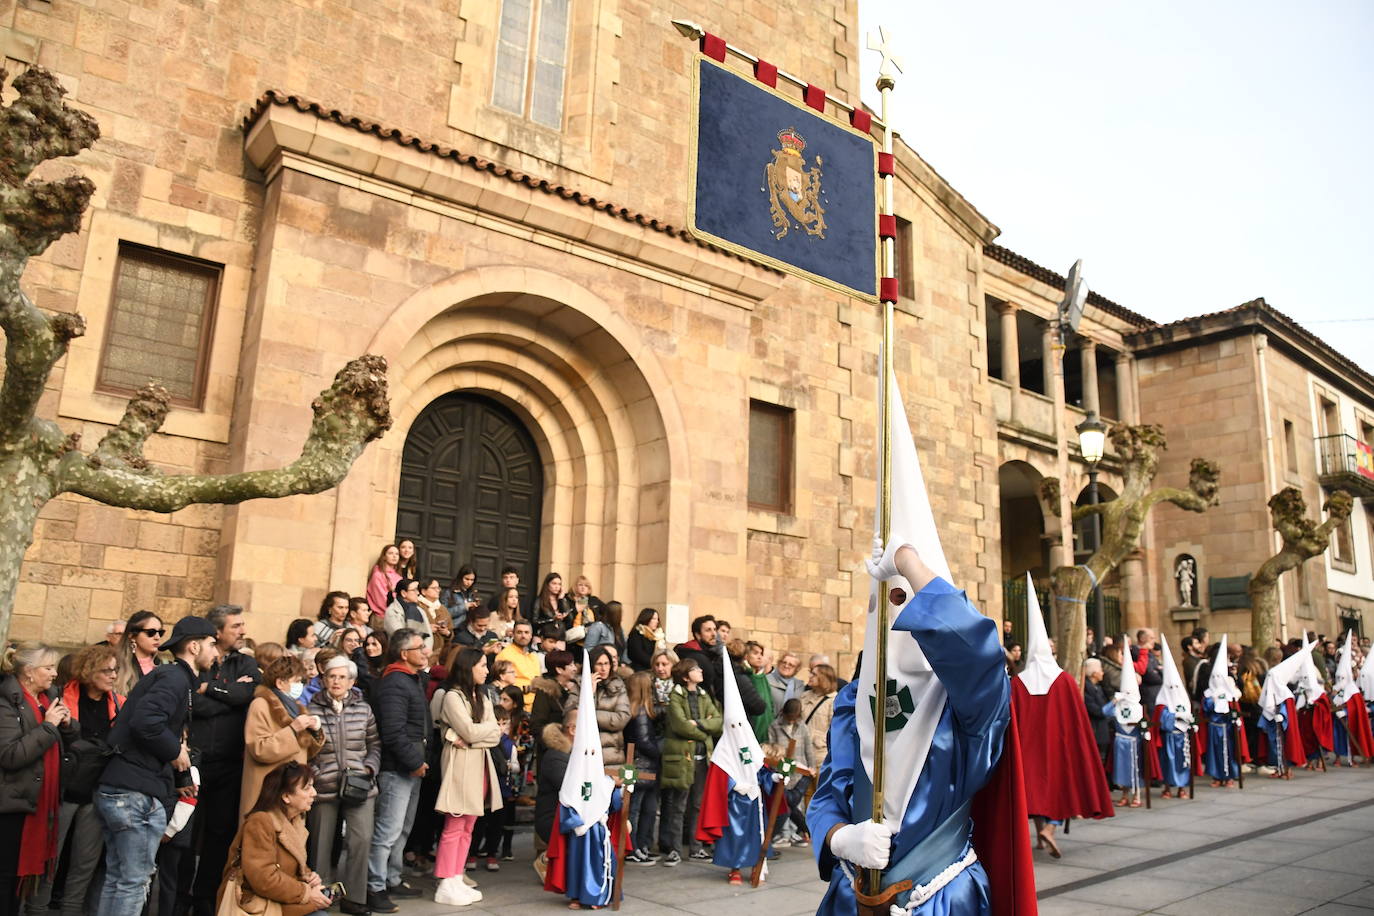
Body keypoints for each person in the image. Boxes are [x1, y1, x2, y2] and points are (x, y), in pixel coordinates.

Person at [808, 537, 1018, 916]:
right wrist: (841, 838)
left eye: (907, 600)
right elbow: (828, 794)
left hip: (941, 898)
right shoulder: (853, 700)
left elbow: (977, 652)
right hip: (852, 897)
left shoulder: (967, 706)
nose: (896, 617)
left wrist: (909, 562)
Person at [96, 615, 220, 916]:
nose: (216, 653)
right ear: (193, 646)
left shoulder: (174, 678)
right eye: (212, 645)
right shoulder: (174, 678)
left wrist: (179, 779)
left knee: (119, 879)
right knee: (133, 881)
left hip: (125, 787)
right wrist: (175, 750)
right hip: (133, 792)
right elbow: (146, 722)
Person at [1008, 580, 1113, 859]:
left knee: (1034, 790)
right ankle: (1050, 831)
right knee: (1058, 788)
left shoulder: (1017, 683)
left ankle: (1041, 835)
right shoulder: (1064, 681)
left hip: (1028, 749)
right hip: (1057, 747)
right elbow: (1076, 719)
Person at [23, 645, 119, 916]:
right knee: (49, 857)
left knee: (84, 863)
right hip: (62, 789)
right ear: (89, 672)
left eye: (115, 670)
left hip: (96, 791)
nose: (113, 675)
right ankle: (37, 909)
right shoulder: (61, 696)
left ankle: (71, 910)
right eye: (107, 670)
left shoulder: (119, 703)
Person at [187, 604, 260, 916]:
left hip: (230, 764)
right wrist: (227, 696)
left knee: (220, 833)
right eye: (236, 626)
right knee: (185, 833)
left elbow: (249, 694)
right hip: (195, 760)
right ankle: (176, 898)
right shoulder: (199, 661)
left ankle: (205, 897)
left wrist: (211, 689)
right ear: (217, 632)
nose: (242, 631)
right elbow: (192, 702)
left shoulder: (247, 662)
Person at [0, 645, 74, 914]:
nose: (55, 673)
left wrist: (67, 725)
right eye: (48, 667)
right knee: (7, 878)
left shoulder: (48, 699)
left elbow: (67, 742)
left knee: (20, 883)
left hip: (41, 800)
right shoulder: (6, 702)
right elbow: (10, 755)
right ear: (29, 672)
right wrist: (48, 726)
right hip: (13, 805)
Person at [305, 655, 379, 916]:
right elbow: (304, 751)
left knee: (361, 840)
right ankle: (320, 896)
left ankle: (354, 898)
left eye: (341, 677)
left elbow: (374, 745)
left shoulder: (363, 708)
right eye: (331, 676)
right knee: (320, 844)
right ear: (323, 680)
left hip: (359, 785)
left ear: (352, 681)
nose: (336, 681)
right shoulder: (311, 709)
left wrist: (369, 769)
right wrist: (314, 773)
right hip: (323, 786)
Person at [367, 628, 432, 913]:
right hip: (398, 769)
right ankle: (374, 887)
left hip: (410, 768)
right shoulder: (395, 682)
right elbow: (393, 732)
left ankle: (392, 878)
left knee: (402, 829)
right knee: (387, 831)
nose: (426, 651)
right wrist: (414, 762)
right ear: (405, 654)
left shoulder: (410, 679)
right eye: (420, 647)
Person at [431, 649, 502, 906]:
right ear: (468, 666)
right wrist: (478, 734)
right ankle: (446, 880)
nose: (486, 670)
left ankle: (457, 876)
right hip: (460, 766)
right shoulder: (452, 696)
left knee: (469, 825)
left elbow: (495, 733)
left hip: (479, 764)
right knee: (455, 824)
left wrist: (476, 735)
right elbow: (472, 732)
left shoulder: (480, 695)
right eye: (482, 665)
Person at [216, 761, 332, 916]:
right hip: (254, 904)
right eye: (306, 788)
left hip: (279, 900)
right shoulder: (260, 822)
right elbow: (264, 879)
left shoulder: (295, 822)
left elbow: (288, 867)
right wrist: (306, 892)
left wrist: (308, 877)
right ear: (286, 796)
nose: (314, 793)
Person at [240, 654, 325, 820]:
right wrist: (293, 730)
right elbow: (259, 748)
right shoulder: (260, 705)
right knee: (264, 835)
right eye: (296, 681)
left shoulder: (297, 707)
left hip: (292, 791)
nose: (300, 686)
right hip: (267, 789)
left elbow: (307, 750)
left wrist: (316, 730)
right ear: (280, 682)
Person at [659, 657, 722, 865]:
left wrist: (699, 724)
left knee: (697, 804)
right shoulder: (675, 696)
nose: (701, 671)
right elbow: (680, 725)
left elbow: (718, 721)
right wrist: (705, 732)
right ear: (686, 676)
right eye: (696, 669)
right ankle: (674, 849)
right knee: (678, 805)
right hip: (681, 758)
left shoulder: (704, 696)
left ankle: (696, 847)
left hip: (703, 758)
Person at [564, 646, 631, 767]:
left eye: (606, 663)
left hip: (612, 754)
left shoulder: (619, 685)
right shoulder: (579, 685)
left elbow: (622, 718)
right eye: (599, 664)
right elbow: (571, 717)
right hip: (586, 752)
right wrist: (589, 693)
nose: (603, 668)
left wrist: (590, 715)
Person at [623, 671, 663, 865]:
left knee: (643, 808)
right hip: (641, 764)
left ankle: (640, 845)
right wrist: (660, 752)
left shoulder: (636, 710)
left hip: (637, 764)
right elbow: (644, 741)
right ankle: (633, 847)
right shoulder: (639, 712)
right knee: (636, 809)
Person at [767, 698, 816, 848]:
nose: (792, 720)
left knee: (796, 803)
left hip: (799, 770)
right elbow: (772, 748)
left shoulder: (802, 726)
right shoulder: (775, 726)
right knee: (785, 802)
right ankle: (784, 834)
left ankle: (795, 833)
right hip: (783, 771)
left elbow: (808, 748)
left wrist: (812, 767)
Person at [1152, 636, 1195, 799]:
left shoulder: (1183, 698)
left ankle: (1182, 788)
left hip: (1182, 737)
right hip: (1169, 737)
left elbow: (1189, 714)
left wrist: (1189, 720)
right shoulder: (1162, 701)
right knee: (1169, 763)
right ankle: (1168, 788)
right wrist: (1174, 716)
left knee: (1182, 762)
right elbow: (1161, 718)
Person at [1200, 636, 1242, 786]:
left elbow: (1234, 708)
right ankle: (1217, 776)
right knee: (1215, 753)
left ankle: (1230, 776)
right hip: (1214, 727)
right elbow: (1206, 708)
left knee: (1229, 752)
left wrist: (1235, 717)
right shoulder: (1208, 693)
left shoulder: (1231, 693)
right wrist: (1214, 701)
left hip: (1227, 727)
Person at [530, 650, 578, 761]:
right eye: (570, 665)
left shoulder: (571, 690)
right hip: (553, 755)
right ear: (559, 669)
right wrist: (558, 744)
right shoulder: (545, 692)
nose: (575, 668)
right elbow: (536, 726)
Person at [114, 610, 164, 696]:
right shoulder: (116, 664)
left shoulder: (164, 665)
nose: (157, 637)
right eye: (151, 633)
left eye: (160, 632)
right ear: (132, 636)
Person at [674, 616, 723, 700]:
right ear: (698, 635)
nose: (714, 634)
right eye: (708, 630)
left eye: (715, 629)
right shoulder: (695, 655)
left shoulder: (711, 653)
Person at [495, 620, 541, 710]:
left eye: (526, 632)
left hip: (536, 704)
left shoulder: (533, 656)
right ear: (513, 634)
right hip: (516, 706)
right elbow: (499, 685)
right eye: (519, 632)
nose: (523, 636)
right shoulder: (505, 655)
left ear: (531, 635)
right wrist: (528, 688)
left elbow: (538, 680)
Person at [798, 663, 838, 761]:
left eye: (814, 674)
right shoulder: (804, 696)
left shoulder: (833, 700)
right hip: (799, 751)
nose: (810, 676)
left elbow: (835, 730)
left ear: (824, 678)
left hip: (820, 753)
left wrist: (821, 741)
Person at [384, 578, 434, 649]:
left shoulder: (420, 610)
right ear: (404, 593)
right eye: (414, 590)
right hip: (401, 650)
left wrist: (425, 649)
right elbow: (398, 635)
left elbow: (428, 634)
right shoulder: (392, 611)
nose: (418, 593)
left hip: (421, 651)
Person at [1082, 659, 1112, 770]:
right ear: (1094, 673)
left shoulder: (1098, 688)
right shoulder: (1086, 689)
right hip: (1095, 729)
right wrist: (1113, 703)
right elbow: (1098, 711)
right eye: (1100, 670)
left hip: (1102, 729)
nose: (1102, 673)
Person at [416, 576, 454, 659]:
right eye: (434, 588)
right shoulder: (417, 606)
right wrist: (427, 629)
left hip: (439, 653)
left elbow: (451, 631)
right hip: (421, 650)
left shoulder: (442, 608)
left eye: (438, 588)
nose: (438, 590)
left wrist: (447, 633)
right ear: (423, 591)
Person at [744, 641, 775, 741]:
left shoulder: (763, 677)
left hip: (766, 734)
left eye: (761, 654)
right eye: (755, 653)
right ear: (746, 656)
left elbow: (770, 705)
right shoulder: (743, 676)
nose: (759, 657)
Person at [531, 573, 572, 641]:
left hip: (560, 636)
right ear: (547, 584)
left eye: (559, 584)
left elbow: (570, 619)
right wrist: (553, 619)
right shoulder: (539, 600)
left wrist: (562, 599)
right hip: (544, 636)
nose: (557, 587)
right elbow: (534, 621)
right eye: (554, 583)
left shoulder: (562, 600)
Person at [367, 544, 403, 619]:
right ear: (384, 556)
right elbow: (380, 599)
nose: (394, 556)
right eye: (390, 553)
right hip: (381, 617)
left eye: (397, 554)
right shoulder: (378, 575)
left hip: (397, 616)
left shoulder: (398, 576)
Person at [1132, 628, 1164, 711]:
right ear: (1142, 639)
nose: (1154, 640)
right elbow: (1148, 673)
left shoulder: (1150, 653)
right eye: (1151, 638)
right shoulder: (1136, 652)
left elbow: (1160, 668)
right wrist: (1159, 674)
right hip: (1148, 694)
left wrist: (1159, 671)